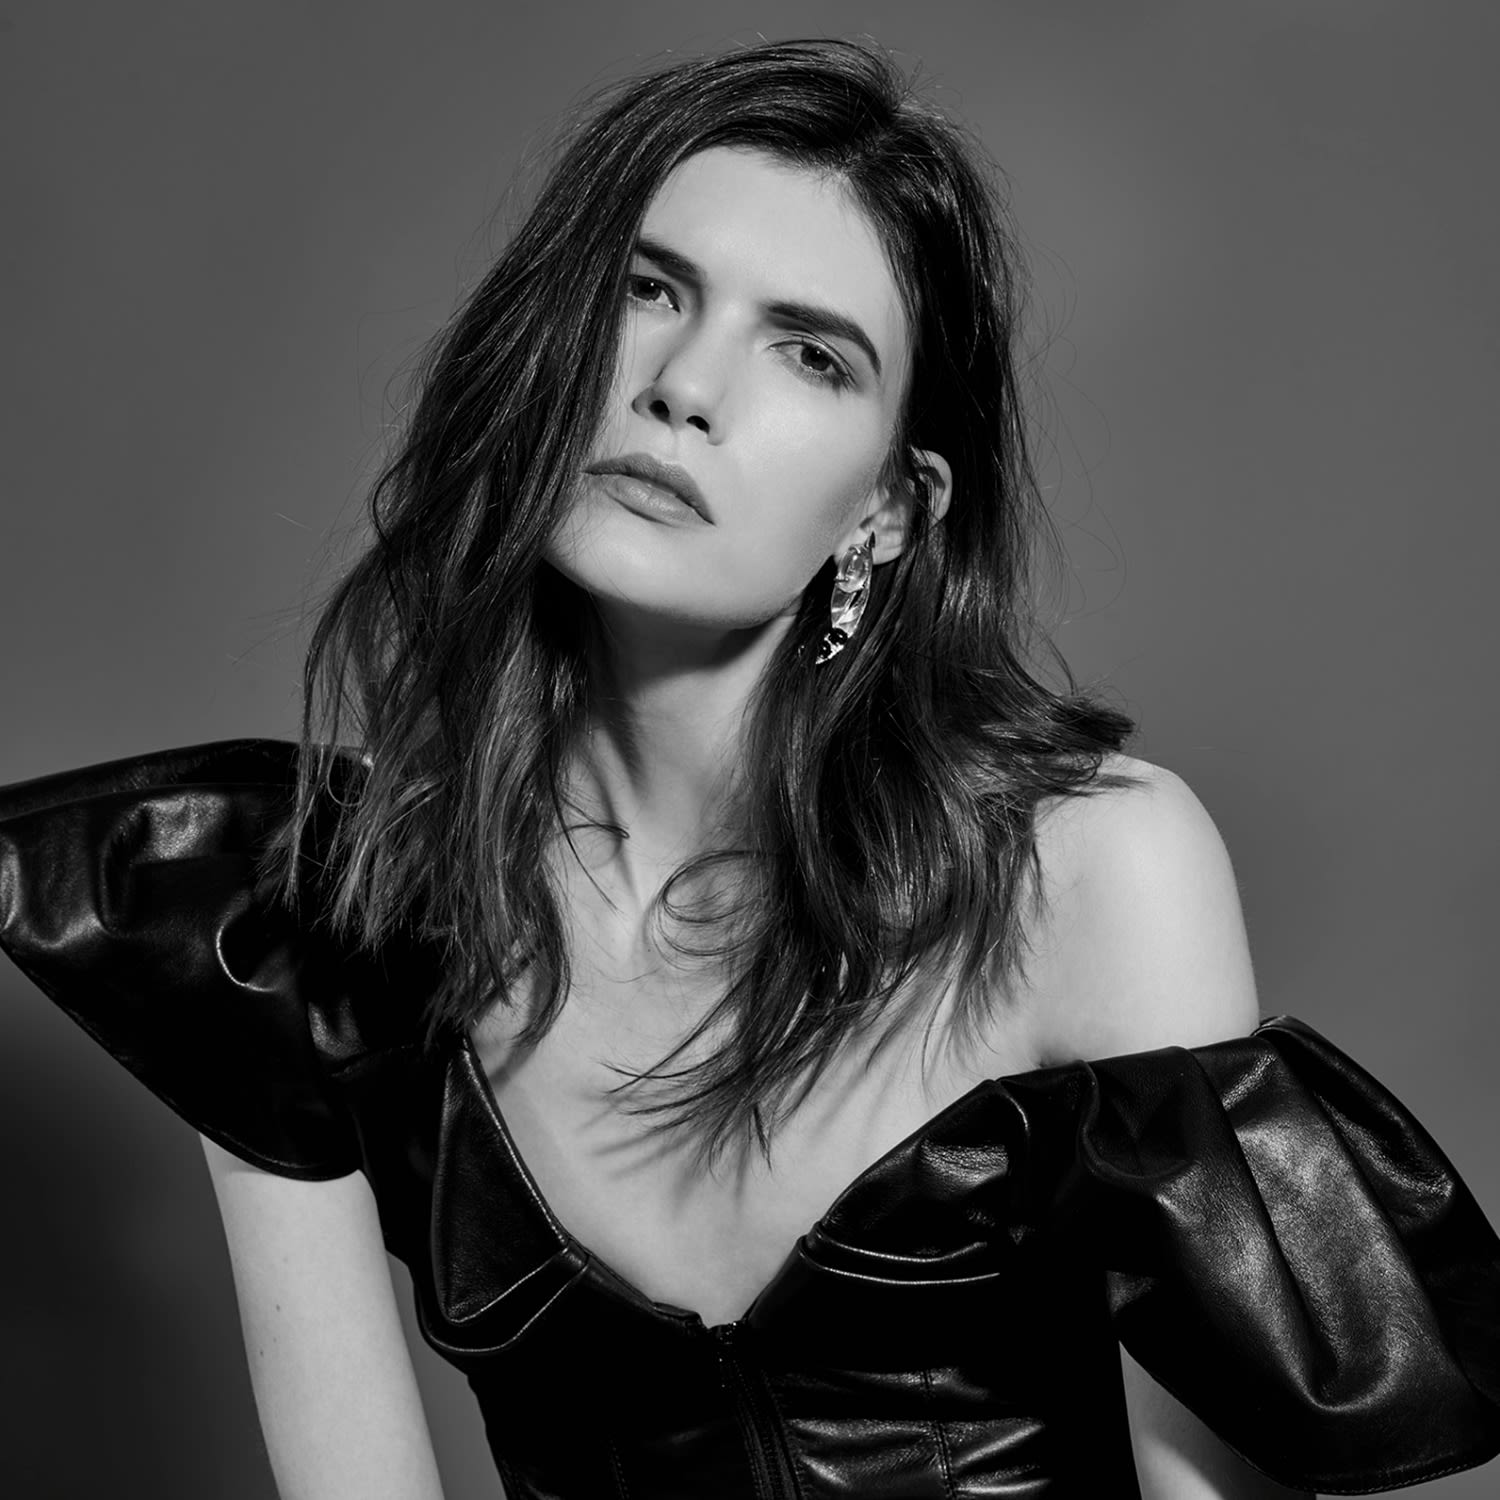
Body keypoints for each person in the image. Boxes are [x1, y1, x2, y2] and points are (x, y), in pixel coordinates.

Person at [1, 36, 1497, 1500]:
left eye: (810, 353)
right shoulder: (309, 910)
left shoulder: (1093, 874)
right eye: (649, 289)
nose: (685, 384)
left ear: (888, 512)